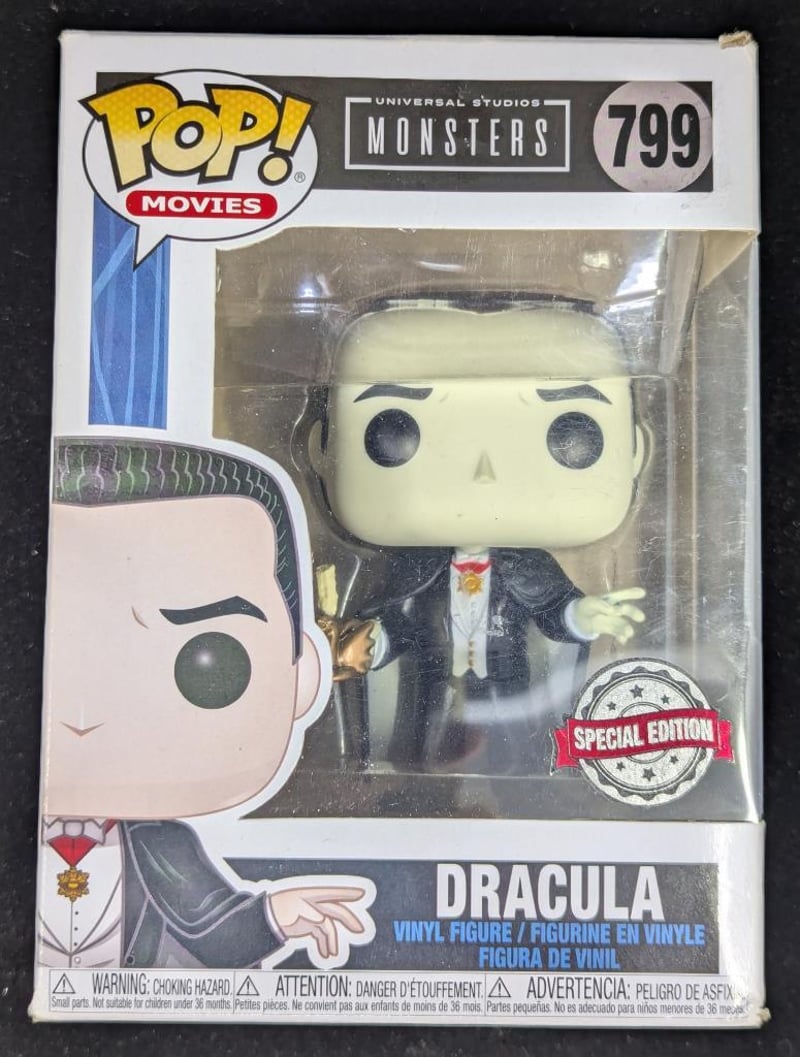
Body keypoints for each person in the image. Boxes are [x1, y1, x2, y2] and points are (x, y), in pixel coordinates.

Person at [38, 438, 373, 970]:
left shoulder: (162, 845)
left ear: (302, 674)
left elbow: (217, 935)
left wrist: (274, 917)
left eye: (210, 664)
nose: (83, 717)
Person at [314, 301, 647, 770]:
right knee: (418, 758)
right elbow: (396, 621)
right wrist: (372, 643)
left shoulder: (526, 566)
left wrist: (582, 615)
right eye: (394, 431)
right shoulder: (416, 567)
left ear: (636, 450)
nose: (483, 472)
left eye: (570, 433)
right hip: (430, 688)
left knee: (519, 760)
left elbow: (553, 611)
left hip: (510, 689)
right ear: (321, 447)